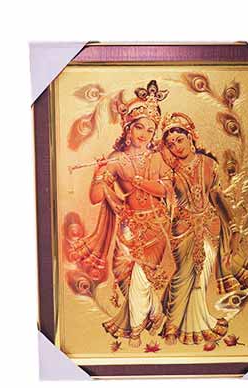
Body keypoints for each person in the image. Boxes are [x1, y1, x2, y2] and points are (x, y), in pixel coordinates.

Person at [71, 80, 173, 348]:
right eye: (140, 127)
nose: (145, 134)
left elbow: (166, 189)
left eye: (150, 129)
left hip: (155, 224)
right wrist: (99, 173)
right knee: (121, 273)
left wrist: (141, 182)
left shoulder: (159, 158)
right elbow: (95, 197)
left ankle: (135, 330)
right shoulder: (116, 158)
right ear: (128, 128)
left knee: (141, 278)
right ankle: (155, 312)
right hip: (128, 225)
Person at [158, 112, 241, 346]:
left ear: (191, 137)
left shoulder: (208, 164)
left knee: (201, 276)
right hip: (182, 229)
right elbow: (163, 194)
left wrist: (233, 226)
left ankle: (195, 324)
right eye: (170, 144)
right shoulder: (169, 170)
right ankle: (172, 325)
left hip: (208, 228)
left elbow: (217, 197)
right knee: (183, 274)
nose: (176, 147)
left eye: (179, 140)